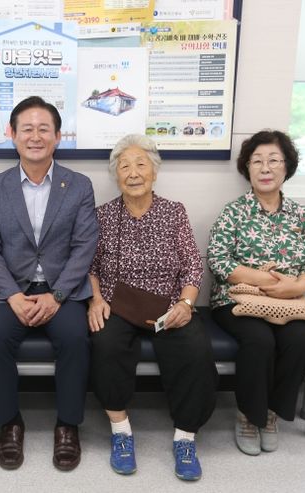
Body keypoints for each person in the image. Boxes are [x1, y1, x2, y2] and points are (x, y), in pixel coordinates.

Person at [0, 96, 98, 471]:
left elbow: (84, 246)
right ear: (12, 134)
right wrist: (13, 295)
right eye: (26, 129)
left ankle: (68, 425)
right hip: (9, 290)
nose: (35, 136)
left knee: (75, 338)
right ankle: (9, 423)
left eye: (44, 129)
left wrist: (57, 295)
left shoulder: (78, 185)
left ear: (58, 136)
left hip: (62, 290)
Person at [87, 134, 218, 481]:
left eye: (140, 164)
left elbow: (192, 265)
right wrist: (96, 299)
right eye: (124, 166)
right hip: (118, 304)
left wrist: (186, 304)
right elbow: (90, 267)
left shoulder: (174, 212)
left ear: (154, 172)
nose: (133, 173)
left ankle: (185, 437)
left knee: (196, 349)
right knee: (104, 343)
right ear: (116, 175)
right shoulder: (103, 215)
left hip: (169, 304)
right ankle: (121, 431)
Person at [207, 130, 305, 456]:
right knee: (259, 340)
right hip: (236, 299)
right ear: (247, 168)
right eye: (257, 161)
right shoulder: (233, 212)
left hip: (289, 302)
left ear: (286, 167)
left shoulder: (303, 216)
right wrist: (266, 281)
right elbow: (218, 259)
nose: (265, 168)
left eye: (273, 160)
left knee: (301, 342)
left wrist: (296, 287)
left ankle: (271, 412)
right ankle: (249, 415)